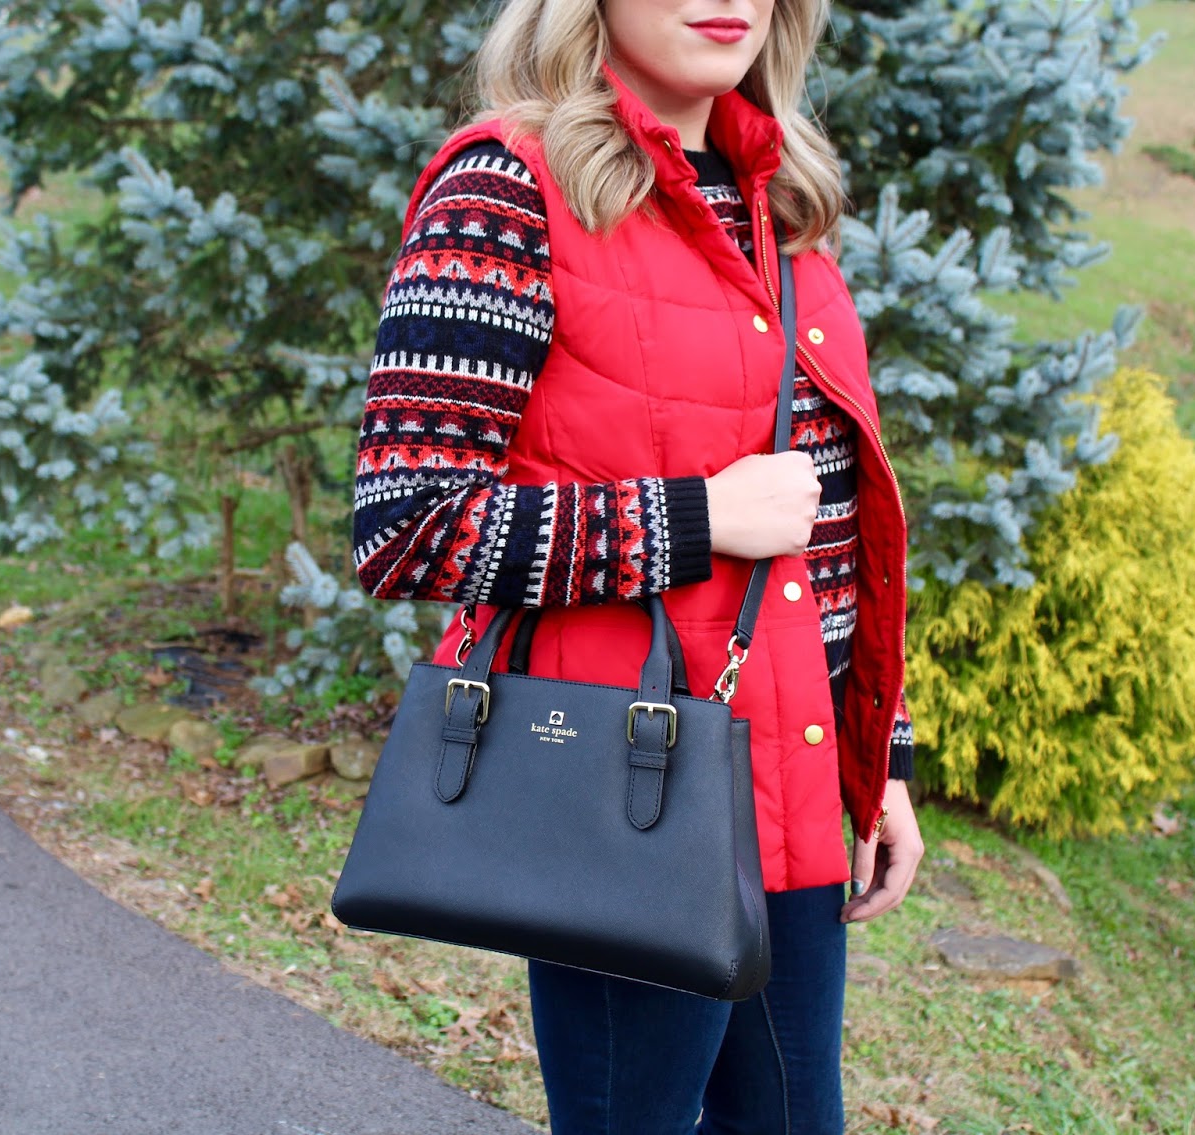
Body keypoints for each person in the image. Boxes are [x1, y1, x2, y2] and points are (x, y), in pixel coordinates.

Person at [351, 0, 925, 1130]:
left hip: (794, 783)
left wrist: (881, 755)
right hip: (624, 793)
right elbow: (409, 522)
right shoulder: (505, 186)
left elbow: (829, 523)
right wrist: (696, 515)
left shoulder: (782, 196)